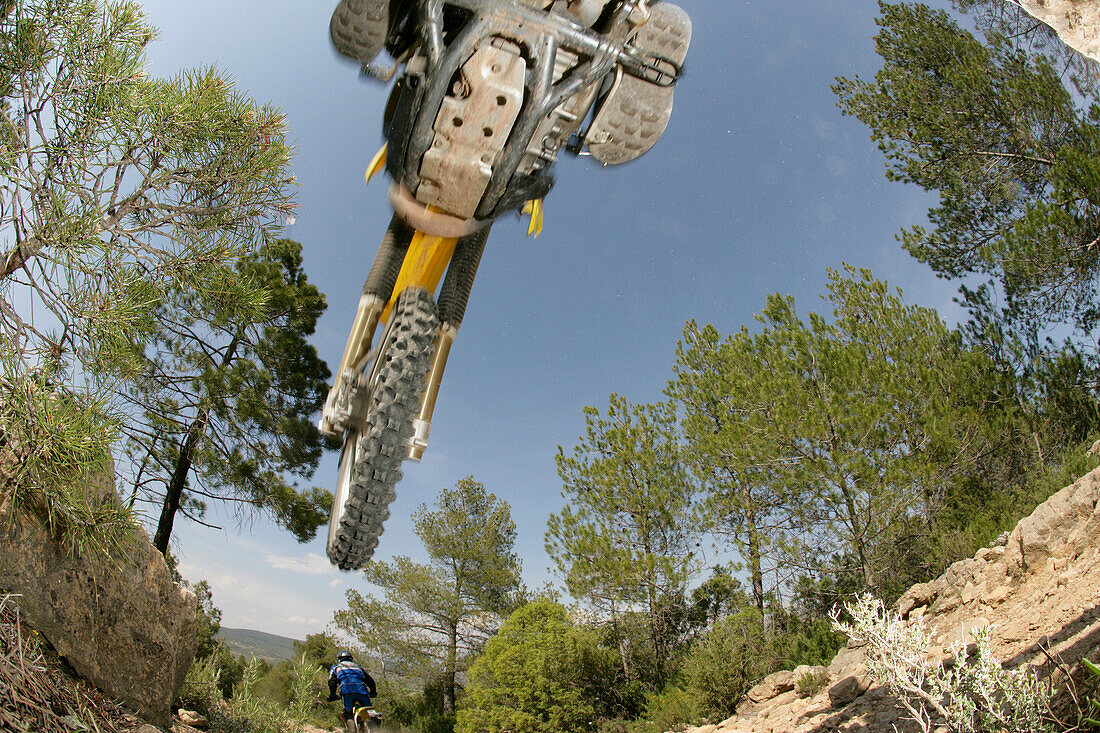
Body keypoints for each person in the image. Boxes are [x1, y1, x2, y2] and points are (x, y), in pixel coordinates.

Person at [327, 650, 377, 731]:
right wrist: (373, 692)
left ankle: (352, 729)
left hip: (347, 692)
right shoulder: (358, 667)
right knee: (369, 711)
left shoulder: (336, 667)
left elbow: (332, 682)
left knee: (348, 713)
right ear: (351, 659)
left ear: (339, 659)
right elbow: (370, 681)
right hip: (362, 691)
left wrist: (332, 694)